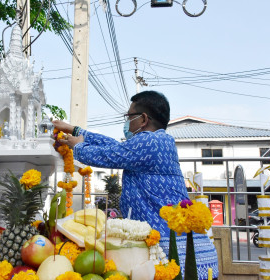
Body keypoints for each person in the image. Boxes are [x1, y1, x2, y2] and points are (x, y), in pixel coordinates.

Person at [53, 90, 218, 280]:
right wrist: (75, 130)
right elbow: (115, 146)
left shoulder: (148, 142)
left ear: (143, 119)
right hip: (190, 254)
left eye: (129, 116)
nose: (127, 122)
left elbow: (109, 155)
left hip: (174, 256)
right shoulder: (159, 141)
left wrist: (79, 145)